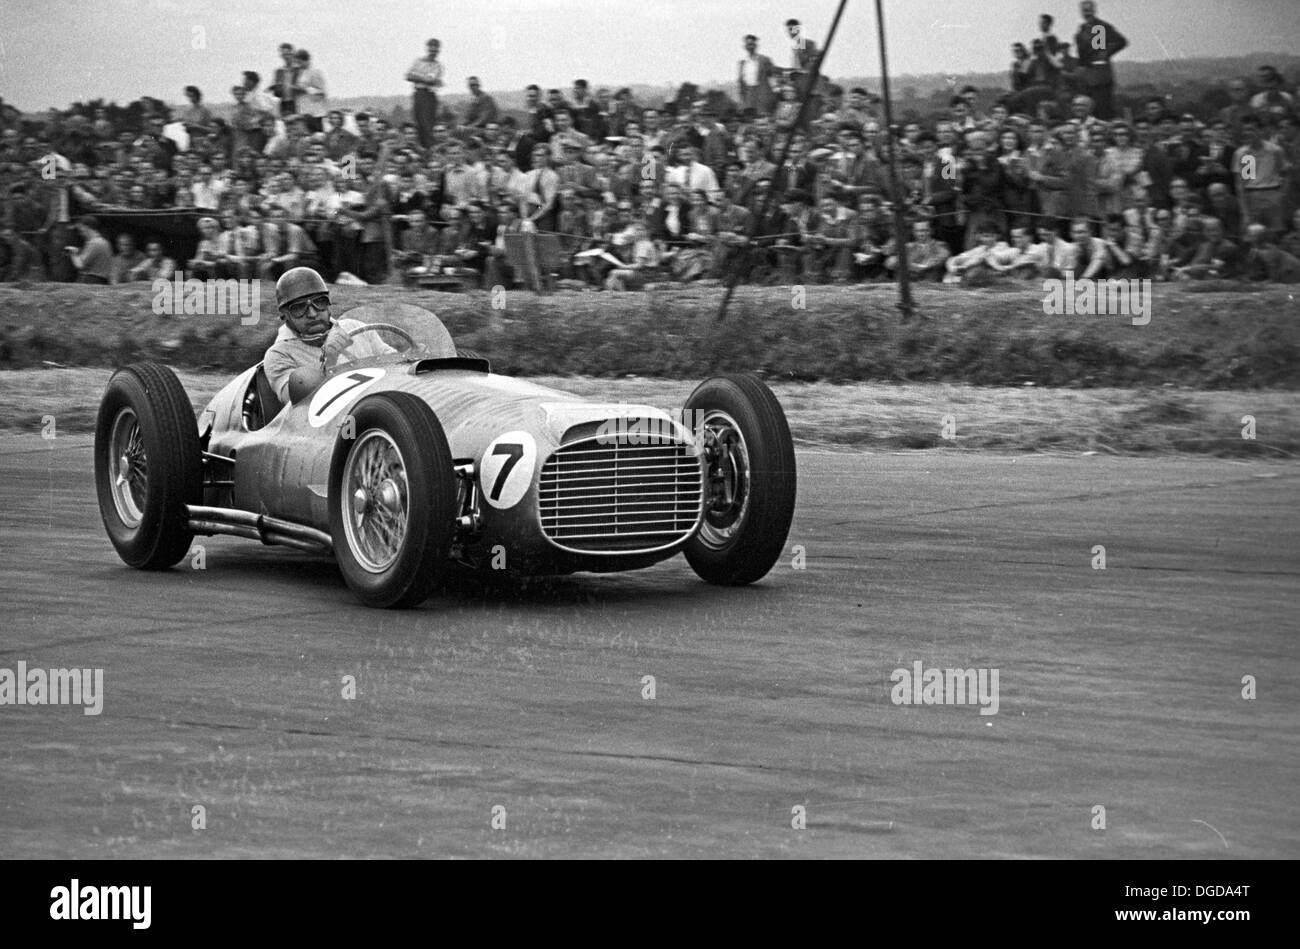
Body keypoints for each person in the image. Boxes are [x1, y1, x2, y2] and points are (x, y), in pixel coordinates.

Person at [262, 267, 391, 404]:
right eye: (299, 308)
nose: (312, 313)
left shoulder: (358, 328)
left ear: (328, 302)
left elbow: (396, 362)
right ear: (285, 314)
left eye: (319, 302)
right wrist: (328, 362)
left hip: (383, 404)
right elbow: (292, 401)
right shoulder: (278, 354)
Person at [1072, 1, 1127, 120]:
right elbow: (1082, 55)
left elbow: (1120, 41)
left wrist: (1106, 53)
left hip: (1100, 77)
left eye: (1089, 10)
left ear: (1094, 10)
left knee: (1103, 110)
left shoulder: (1100, 27)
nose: (1087, 13)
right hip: (1086, 77)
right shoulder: (1082, 29)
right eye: (1084, 11)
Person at [406, 39, 444, 149]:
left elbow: (432, 81)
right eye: (431, 48)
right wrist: (423, 78)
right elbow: (409, 76)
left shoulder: (438, 66)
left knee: (428, 123)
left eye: (436, 48)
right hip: (419, 94)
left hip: (429, 96)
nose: (433, 51)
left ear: (438, 50)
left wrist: (419, 77)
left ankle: (429, 147)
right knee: (418, 121)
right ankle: (422, 146)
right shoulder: (418, 61)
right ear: (427, 48)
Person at [65, 215, 113, 284]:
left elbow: (80, 265)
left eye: (81, 229)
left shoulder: (94, 243)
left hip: (90, 280)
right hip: (102, 280)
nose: (80, 232)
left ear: (87, 227)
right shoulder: (105, 242)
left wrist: (73, 253)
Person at [738, 35, 776, 115]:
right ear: (745, 47)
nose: (750, 47)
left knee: (763, 116)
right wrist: (742, 98)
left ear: (756, 46)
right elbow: (741, 82)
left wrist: (774, 91)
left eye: (752, 44)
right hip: (748, 94)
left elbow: (772, 75)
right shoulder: (743, 62)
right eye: (748, 45)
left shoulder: (764, 60)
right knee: (750, 118)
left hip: (762, 92)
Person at [291, 49, 327, 131]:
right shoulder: (301, 73)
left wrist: (305, 89)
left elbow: (322, 91)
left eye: (299, 62)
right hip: (304, 111)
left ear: (305, 60)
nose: (298, 65)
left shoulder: (315, 72)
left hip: (315, 113)